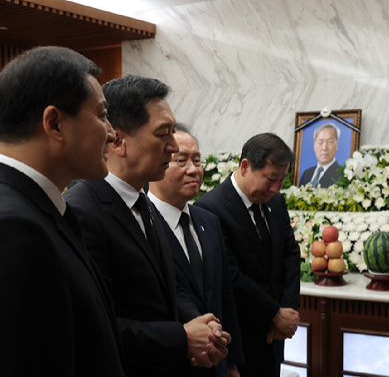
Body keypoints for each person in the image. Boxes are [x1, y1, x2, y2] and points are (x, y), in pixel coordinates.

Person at [64, 75, 230, 377]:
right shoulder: (83, 210)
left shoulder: (143, 202)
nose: (171, 146)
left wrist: (203, 328)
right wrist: (182, 338)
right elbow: (93, 324)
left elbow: (168, 285)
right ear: (118, 141)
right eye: (163, 134)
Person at [0, 46, 125, 376]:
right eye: (101, 115)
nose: (112, 133)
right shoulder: (14, 226)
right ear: (55, 123)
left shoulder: (35, 207)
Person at [195, 133, 301, 376]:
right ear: (245, 166)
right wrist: (274, 313)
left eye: (282, 180)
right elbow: (230, 275)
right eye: (270, 178)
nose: (275, 188)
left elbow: (291, 254)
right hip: (241, 339)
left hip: (275, 337)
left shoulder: (276, 202)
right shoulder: (211, 209)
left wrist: (288, 309)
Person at [148, 123, 244, 377]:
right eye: (181, 161)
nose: (194, 170)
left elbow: (224, 295)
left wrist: (232, 363)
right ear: (157, 165)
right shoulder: (143, 224)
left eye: (197, 160)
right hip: (174, 364)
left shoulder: (208, 221)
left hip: (217, 363)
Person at [299, 123, 342, 187]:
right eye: (320, 142)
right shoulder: (307, 174)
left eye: (330, 142)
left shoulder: (341, 175)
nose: (324, 148)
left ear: (337, 145)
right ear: (314, 145)